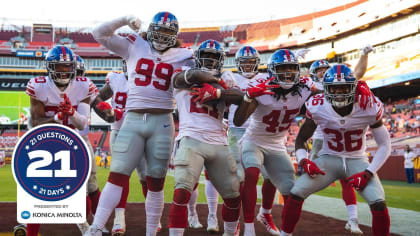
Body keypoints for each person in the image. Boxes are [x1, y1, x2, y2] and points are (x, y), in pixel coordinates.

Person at [85, 12, 194, 236]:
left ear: (175, 35)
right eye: (159, 31)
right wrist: (124, 19)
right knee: (117, 176)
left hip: (163, 121)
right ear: (150, 29)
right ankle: (95, 228)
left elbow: (201, 75)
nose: (162, 37)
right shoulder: (135, 44)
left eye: (167, 32)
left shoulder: (185, 55)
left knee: (155, 181)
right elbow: (99, 33)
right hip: (133, 119)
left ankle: (151, 231)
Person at [167, 39, 272, 236]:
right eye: (205, 56)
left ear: (221, 60)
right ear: (197, 58)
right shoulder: (184, 72)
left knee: (233, 197)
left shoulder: (228, 79)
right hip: (191, 137)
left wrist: (217, 91)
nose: (209, 60)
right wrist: (217, 83)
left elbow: (239, 97)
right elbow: (186, 78)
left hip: (219, 142)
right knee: (182, 191)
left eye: (214, 57)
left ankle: (230, 233)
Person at [281, 64, 391, 236]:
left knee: (379, 203)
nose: (339, 93)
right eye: (334, 88)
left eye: (344, 88)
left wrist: (368, 173)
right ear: (326, 89)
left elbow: (385, 144)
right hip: (329, 159)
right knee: (296, 193)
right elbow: (301, 138)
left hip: (357, 160)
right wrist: (304, 160)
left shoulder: (368, 105)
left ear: (353, 88)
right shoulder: (317, 105)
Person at [233, 49, 314, 236]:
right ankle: (249, 228)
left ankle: (285, 231)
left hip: (277, 146)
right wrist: (248, 97)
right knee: (251, 174)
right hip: (254, 141)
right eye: (282, 69)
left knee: (292, 193)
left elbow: (333, 88)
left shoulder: (305, 87)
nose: (287, 74)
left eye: (291, 69)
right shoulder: (263, 88)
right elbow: (238, 121)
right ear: (272, 71)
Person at [24, 46, 99, 236]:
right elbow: (36, 124)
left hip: (73, 141)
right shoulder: (38, 85)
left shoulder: (84, 85)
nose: (64, 71)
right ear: (49, 67)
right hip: (45, 141)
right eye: (59, 67)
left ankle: (87, 228)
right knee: (37, 191)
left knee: (82, 188)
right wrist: (58, 117)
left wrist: (71, 112)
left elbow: (82, 124)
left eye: (67, 67)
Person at [307, 44, 374, 234]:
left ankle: (353, 219)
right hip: (321, 138)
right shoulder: (309, 87)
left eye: (324, 70)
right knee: (307, 179)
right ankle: (289, 210)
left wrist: (363, 55)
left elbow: (357, 74)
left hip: (342, 136)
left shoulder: (340, 82)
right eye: (319, 71)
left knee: (346, 179)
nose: (322, 73)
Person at [91, 60, 158, 235]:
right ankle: (119, 220)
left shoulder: (152, 79)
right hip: (119, 131)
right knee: (120, 176)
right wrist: (107, 113)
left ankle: (154, 217)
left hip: (142, 132)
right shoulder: (116, 79)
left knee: (146, 177)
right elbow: (96, 98)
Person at [228, 45, 281, 235]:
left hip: (261, 131)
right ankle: (233, 221)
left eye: (251, 62)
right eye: (244, 62)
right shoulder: (231, 78)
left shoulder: (267, 79)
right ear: (238, 63)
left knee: (273, 175)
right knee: (238, 179)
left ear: (257, 63)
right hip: (237, 131)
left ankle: (265, 214)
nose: (248, 66)